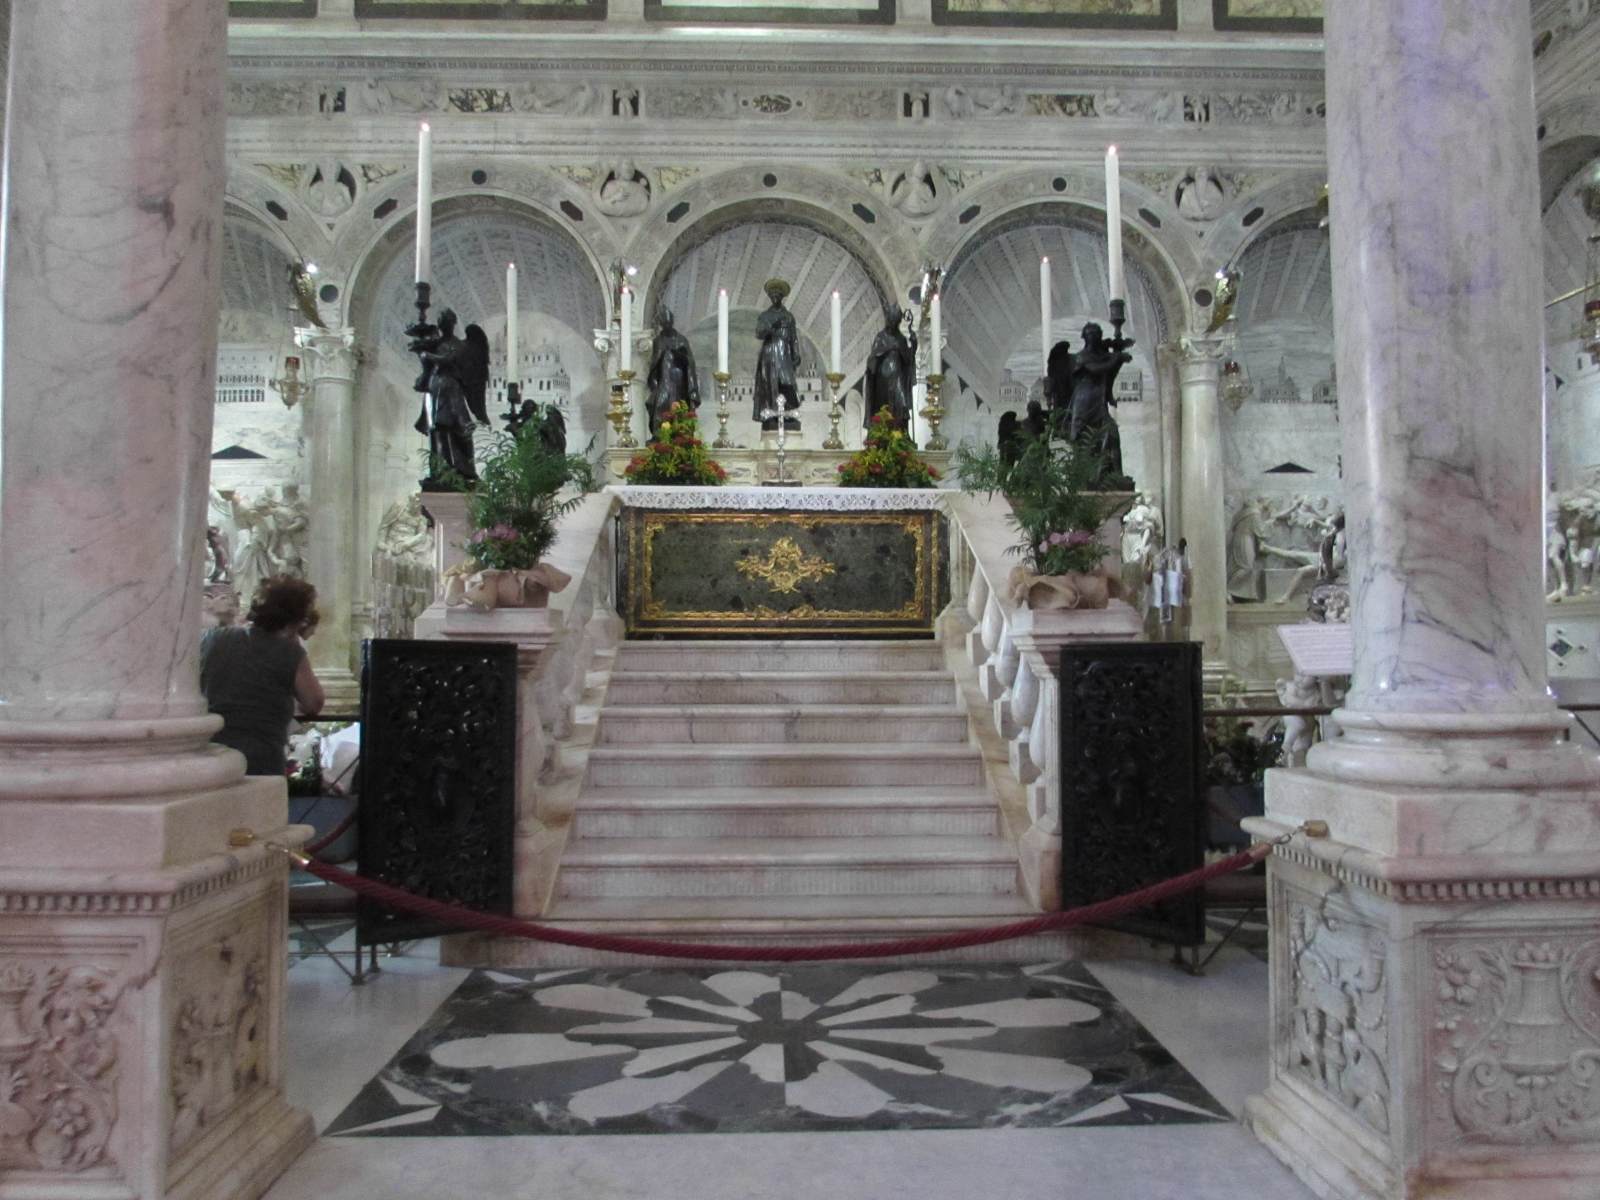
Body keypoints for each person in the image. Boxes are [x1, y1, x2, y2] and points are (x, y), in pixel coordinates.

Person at [200, 575, 325, 777]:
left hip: (211, 749)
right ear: (296, 618)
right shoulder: (288, 652)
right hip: (261, 754)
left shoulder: (214, 637)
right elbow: (314, 702)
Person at [411, 308, 491, 484]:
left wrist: (427, 354)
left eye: (446, 320)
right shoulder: (434, 342)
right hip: (435, 388)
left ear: (453, 323)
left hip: (452, 389)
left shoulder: (461, 345)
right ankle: (440, 471)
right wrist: (421, 347)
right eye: (441, 320)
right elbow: (424, 358)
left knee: (462, 428)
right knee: (437, 429)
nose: (443, 324)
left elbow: (449, 359)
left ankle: (465, 470)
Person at [752, 278, 800, 431]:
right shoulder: (765, 316)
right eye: (772, 295)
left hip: (784, 354)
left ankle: (787, 413)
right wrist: (772, 325)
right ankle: (772, 413)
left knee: (787, 383)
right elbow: (759, 333)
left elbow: (793, 338)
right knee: (770, 383)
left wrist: (796, 354)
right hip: (770, 354)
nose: (775, 297)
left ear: (781, 297)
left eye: (777, 295)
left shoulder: (789, 316)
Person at [645, 306, 700, 437]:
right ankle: (660, 435)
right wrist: (654, 385)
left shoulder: (681, 340)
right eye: (664, 323)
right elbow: (654, 365)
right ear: (661, 324)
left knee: (681, 409)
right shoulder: (658, 341)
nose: (667, 326)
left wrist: (680, 355)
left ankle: (682, 434)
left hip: (680, 381)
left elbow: (690, 362)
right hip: (664, 381)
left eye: (668, 323)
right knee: (660, 406)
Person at [862, 304, 916, 432]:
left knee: (901, 404)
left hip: (898, 379)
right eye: (890, 320)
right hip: (883, 381)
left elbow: (908, 360)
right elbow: (872, 358)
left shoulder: (901, 339)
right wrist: (877, 359)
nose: (891, 324)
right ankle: (882, 433)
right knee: (884, 408)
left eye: (894, 321)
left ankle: (901, 434)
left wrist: (914, 343)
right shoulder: (881, 337)